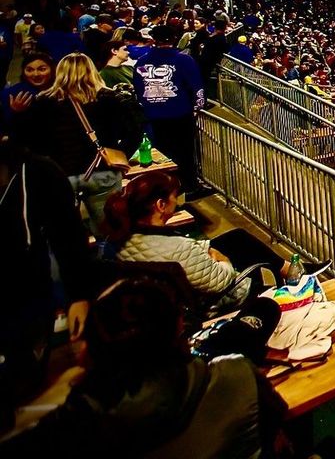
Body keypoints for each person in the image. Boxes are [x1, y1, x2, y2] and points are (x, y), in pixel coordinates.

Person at [5, 276, 288, 458]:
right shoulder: (237, 374)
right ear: (177, 333)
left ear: (91, 350)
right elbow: (274, 421)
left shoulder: (79, 422)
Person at [0, 140, 93, 431]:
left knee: (22, 384)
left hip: (26, 303)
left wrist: (79, 295)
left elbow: (69, 237)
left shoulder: (38, 172)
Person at [14, 52, 139, 226]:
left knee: (63, 230)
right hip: (102, 170)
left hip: (61, 173)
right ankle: (107, 252)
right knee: (109, 227)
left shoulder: (44, 102)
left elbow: (32, 140)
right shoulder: (109, 98)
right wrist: (120, 155)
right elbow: (134, 133)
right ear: (91, 70)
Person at [104, 171, 252, 307]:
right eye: (175, 196)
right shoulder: (179, 248)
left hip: (154, 300)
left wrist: (203, 248)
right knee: (248, 264)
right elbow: (220, 281)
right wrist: (224, 261)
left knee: (237, 237)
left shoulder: (116, 239)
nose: (178, 201)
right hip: (207, 303)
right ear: (161, 205)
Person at [134, 25, 206, 194]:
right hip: (180, 114)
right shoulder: (183, 60)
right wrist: (197, 107)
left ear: (154, 40)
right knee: (185, 152)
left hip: (153, 115)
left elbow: (138, 89)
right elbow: (197, 87)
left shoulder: (142, 61)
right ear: (174, 39)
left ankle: (167, 189)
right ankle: (189, 186)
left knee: (163, 153)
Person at [2, 50, 55, 125]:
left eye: (42, 69)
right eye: (29, 70)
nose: (36, 74)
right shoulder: (14, 94)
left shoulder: (61, 91)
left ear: (52, 70)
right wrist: (15, 111)